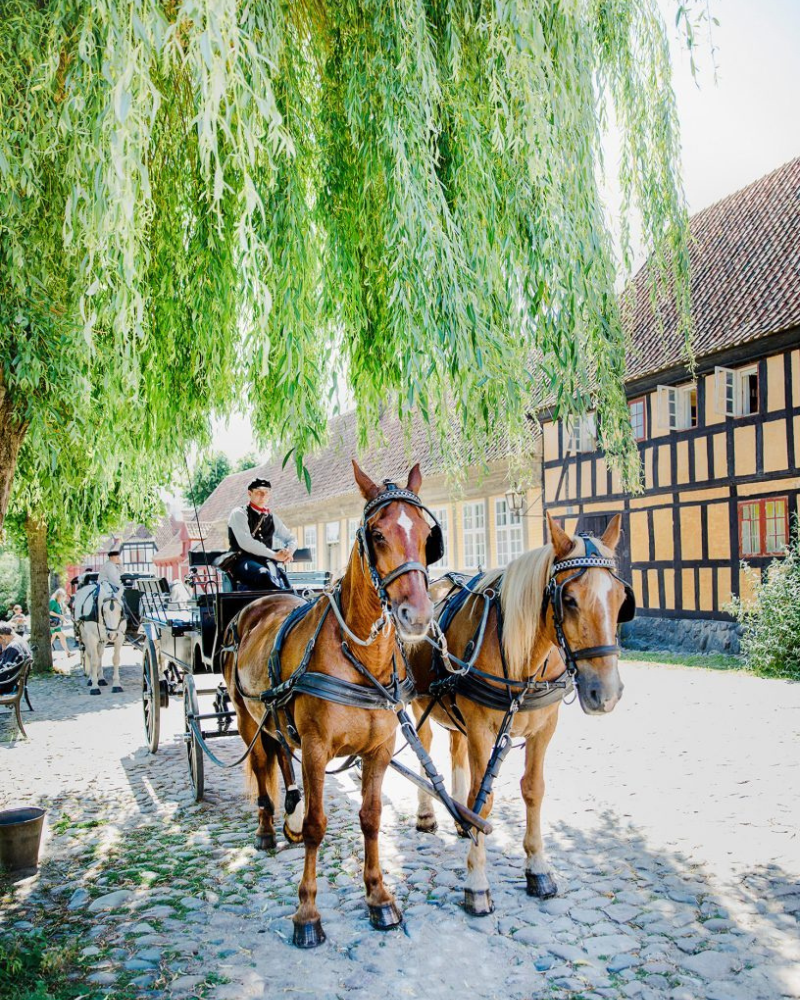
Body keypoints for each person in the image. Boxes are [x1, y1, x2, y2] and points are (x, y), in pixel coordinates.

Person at [226, 478, 297, 590]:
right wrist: (275, 555)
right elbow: (246, 542)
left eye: (266, 492)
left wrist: (289, 551)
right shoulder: (239, 513)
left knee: (284, 580)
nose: (263, 495)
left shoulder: (272, 518)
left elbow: (291, 538)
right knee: (263, 574)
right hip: (242, 562)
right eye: (259, 492)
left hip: (266, 562)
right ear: (250, 493)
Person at [0, 624, 32, 695]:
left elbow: (4, 672)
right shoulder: (20, 641)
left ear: (3, 636)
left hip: (6, 685)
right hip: (12, 682)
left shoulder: (13, 647)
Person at [49, 587, 71, 657]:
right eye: (63, 596)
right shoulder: (53, 601)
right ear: (59, 595)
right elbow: (49, 612)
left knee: (53, 638)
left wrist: (64, 619)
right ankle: (68, 653)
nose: (64, 598)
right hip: (53, 623)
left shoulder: (58, 602)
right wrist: (59, 616)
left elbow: (60, 614)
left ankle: (68, 653)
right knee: (62, 637)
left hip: (56, 624)